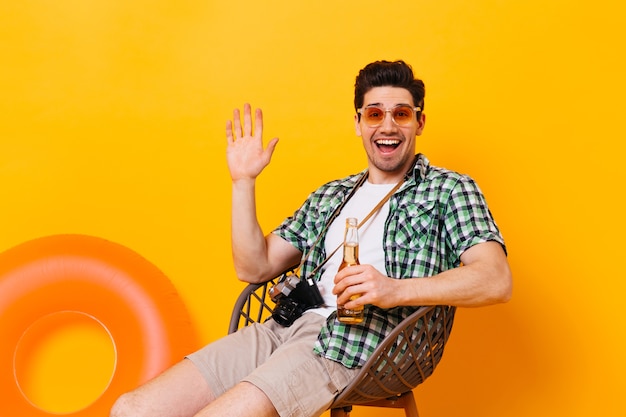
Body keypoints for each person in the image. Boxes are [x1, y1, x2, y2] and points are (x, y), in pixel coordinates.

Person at [110, 60, 512, 417]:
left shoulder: (448, 190)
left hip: (359, 342)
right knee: (131, 409)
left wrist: (394, 289)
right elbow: (253, 266)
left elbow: (496, 279)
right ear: (358, 123)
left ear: (419, 122)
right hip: (284, 328)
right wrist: (243, 182)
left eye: (401, 114)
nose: (387, 125)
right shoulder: (332, 195)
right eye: (375, 114)